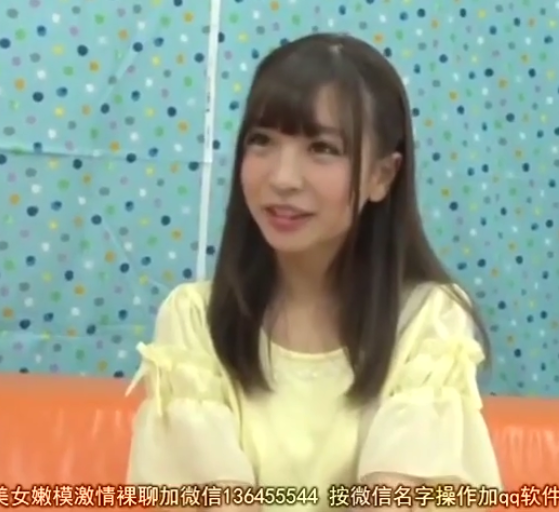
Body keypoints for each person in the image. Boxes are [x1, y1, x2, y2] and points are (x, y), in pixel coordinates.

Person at [125, 33, 502, 511]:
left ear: (382, 175)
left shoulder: (430, 319)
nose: (283, 178)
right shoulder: (195, 318)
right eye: (262, 141)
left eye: (322, 148)